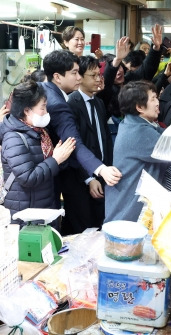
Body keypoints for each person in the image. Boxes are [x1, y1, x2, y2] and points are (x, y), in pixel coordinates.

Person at [104, 80, 171, 223]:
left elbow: (166, 135)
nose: (157, 102)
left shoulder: (134, 123)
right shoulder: (138, 132)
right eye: (153, 98)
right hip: (129, 211)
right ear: (140, 107)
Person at [41, 49, 122, 187]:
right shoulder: (59, 105)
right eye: (74, 73)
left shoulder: (43, 89)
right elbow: (74, 142)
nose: (79, 77)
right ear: (58, 77)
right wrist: (101, 169)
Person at [0, 80, 76, 223]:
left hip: (44, 206)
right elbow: (27, 178)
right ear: (27, 111)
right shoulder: (13, 138)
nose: (46, 113)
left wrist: (61, 157)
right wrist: (56, 159)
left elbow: (49, 168)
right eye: (43, 108)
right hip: (26, 213)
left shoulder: (40, 132)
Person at [63, 56, 113, 234]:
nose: (99, 79)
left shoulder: (98, 102)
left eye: (99, 74)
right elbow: (75, 146)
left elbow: (104, 138)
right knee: (83, 230)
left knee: (100, 225)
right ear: (80, 78)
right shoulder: (71, 104)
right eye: (93, 75)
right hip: (80, 178)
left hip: (101, 172)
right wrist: (89, 178)